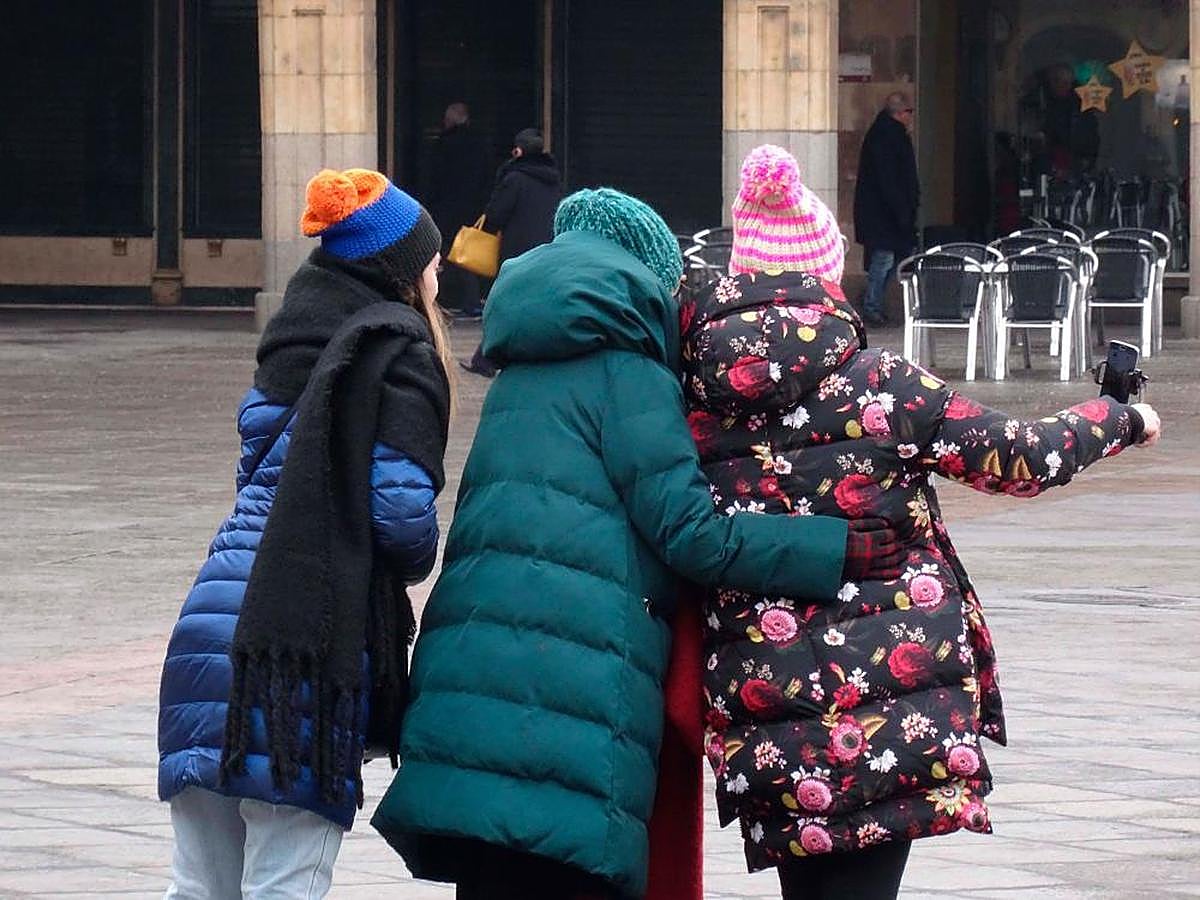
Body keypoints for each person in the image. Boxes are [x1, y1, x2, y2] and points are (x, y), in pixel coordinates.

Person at [371, 187, 907, 899]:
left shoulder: (518, 372)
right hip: (571, 697)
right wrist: (831, 549)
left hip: (470, 679)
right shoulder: (627, 373)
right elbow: (692, 535)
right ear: (645, 281)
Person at [680, 144, 1162, 900]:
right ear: (825, 273)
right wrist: (1120, 415)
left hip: (763, 697)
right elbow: (1021, 458)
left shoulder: (688, 393)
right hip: (890, 692)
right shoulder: (883, 385)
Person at [157, 168, 453, 898]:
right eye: (432, 257)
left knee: (200, 886)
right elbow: (401, 515)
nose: (441, 271)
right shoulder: (398, 355)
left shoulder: (286, 349)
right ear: (402, 269)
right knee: (285, 884)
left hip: (207, 635)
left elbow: (257, 478)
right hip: (299, 657)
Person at [460, 127, 563, 378]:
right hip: (547, 249)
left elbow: (496, 215)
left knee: (505, 303)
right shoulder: (554, 179)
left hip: (517, 252)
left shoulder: (514, 178)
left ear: (518, 151)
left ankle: (486, 359)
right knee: (537, 303)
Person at [853, 91, 919, 327]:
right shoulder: (886, 136)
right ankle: (872, 305)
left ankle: (873, 299)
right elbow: (889, 179)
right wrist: (901, 209)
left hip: (890, 214)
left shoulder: (889, 134)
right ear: (899, 113)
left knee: (898, 257)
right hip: (885, 215)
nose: (911, 117)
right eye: (909, 112)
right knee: (883, 260)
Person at [428, 102, 492, 316]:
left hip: (446, 207)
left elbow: (433, 178)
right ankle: (470, 299)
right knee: (466, 253)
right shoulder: (480, 144)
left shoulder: (443, 144)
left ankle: (435, 297)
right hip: (472, 207)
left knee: (441, 252)